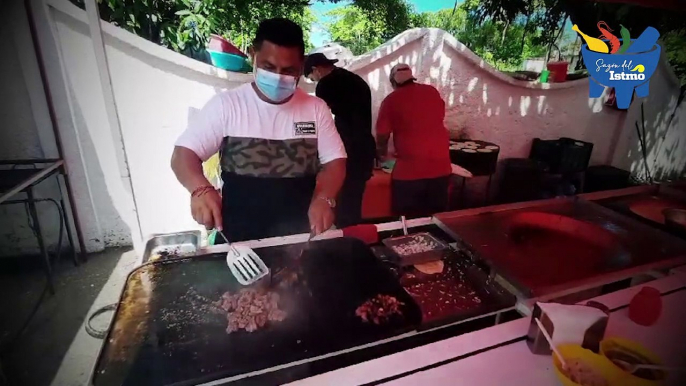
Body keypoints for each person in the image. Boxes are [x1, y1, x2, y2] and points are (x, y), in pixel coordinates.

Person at [171, 18, 347, 242]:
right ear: (253, 55)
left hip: (299, 239)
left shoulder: (316, 109)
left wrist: (324, 198)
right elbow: (183, 154)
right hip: (238, 241)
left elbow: (335, 162)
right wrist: (200, 190)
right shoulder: (227, 105)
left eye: (288, 70)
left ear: (301, 66)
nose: (278, 77)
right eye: (269, 67)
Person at [304, 53, 376, 228]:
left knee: (340, 201)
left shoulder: (326, 84)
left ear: (316, 69)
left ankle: (343, 240)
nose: (314, 81)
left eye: (311, 78)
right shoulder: (356, 80)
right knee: (354, 199)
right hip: (365, 148)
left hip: (346, 150)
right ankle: (353, 235)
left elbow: (321, 119)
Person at [375, 63, 451, 217]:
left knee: (407, 221)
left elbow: (382, 134)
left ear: (393, 82)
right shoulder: (431, 91)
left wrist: (381, 154)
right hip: (441, 168)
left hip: (410, 173)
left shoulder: (391, 100)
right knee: (435, 219)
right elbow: (438, 116)